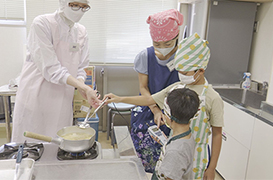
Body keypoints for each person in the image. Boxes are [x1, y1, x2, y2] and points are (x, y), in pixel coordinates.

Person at [105, 33, 224, 180]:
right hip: (172, 154)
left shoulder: (213, 98)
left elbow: (217, 134)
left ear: (200, 71)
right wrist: (119, 98)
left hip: (197, 159)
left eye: (185, 72)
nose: (181, 75)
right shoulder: (177, 88)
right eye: (179, 71)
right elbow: (149, 99)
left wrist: (212, 168)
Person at [11, 0, 101, 142]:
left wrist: (81, 85)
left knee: (57, 145)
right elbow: (51, 68)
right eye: (75, 5)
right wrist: (82, 86)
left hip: (62, 100)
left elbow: (81, 67)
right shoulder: (42, 24)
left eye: (84, 7)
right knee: (31, 148)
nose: (79, 10)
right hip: (36, 97)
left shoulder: (81, 32)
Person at [130, 9, 183, 173]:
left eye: (167, 44)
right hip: (148, 109)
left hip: (176, 113)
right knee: (146, 160)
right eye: (157, 44)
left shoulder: (184, 57)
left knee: (172, 164)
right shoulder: (145, 56)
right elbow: (143, 88)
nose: (162, 49)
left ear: (177, 37)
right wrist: (155, 109)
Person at [151, 88, 198, 180]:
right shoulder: (187, 135)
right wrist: (166, 143)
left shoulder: (175, 151)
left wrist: (171, 149)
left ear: (168, 114)